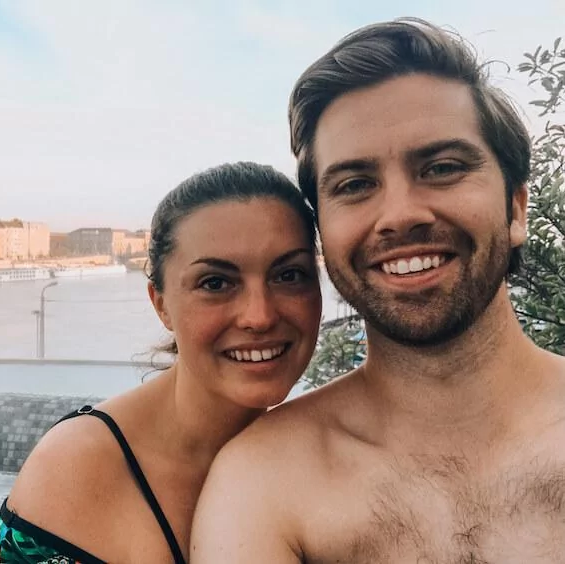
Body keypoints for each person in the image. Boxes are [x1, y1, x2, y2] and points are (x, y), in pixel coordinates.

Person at [191, 18, 565, 563]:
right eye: (355, 185)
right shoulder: (266, 482)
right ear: (323, 232)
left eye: (441, 167)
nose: (400, 216)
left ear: (515, 208)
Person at [0, 161, 323, 564]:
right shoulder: (81, 467)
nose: (259, 316)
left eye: (289, 275)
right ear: (161, 305)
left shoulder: (320, 450)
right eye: (215, 283)